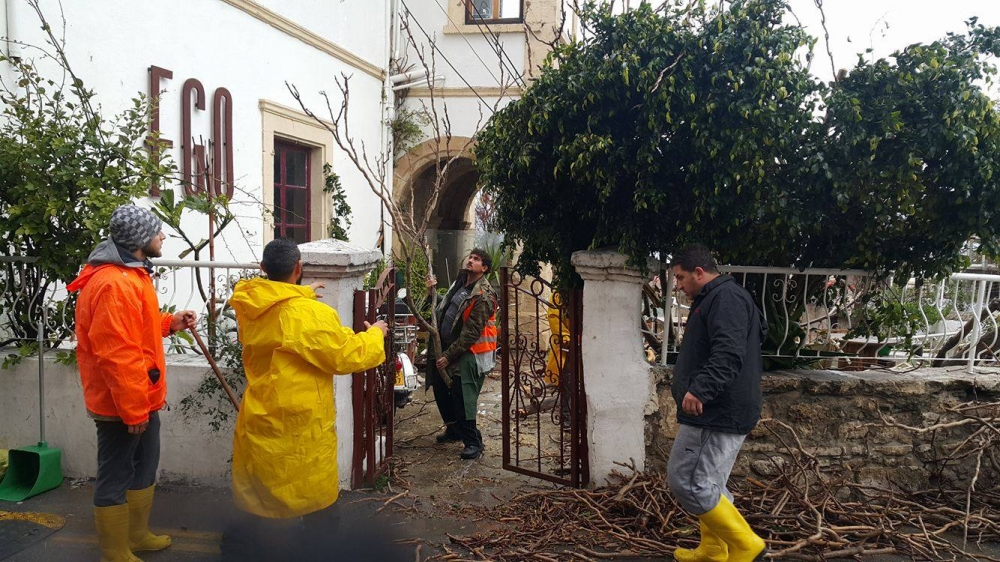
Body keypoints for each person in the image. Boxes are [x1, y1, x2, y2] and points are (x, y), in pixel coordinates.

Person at [223, 237, 392, 560]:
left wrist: (300, 294)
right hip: (301, 423)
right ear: (299, 268)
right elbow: (345, 356)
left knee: (261, 496)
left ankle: (247, 549)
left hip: (261, 414)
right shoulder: (308, 314)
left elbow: (281, 316)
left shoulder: (251, 306)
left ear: (263, 269)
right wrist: (375, 334)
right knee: (316, 502)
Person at [68, 204, 197, 562]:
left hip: (141, 396)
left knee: (144, 465)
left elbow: (136, 330)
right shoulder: (113, 283)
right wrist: (133, 411)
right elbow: (117, 355)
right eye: (158, 232)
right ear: (141, 240)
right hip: (121, 404)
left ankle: (137, 536)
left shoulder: (130, 274)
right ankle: (115, 551)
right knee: (116, 474)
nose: (163, 236)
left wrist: (169, 323)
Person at [666, 244, 768, 562]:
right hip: (718, 409)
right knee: (709, 483)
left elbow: (728, 352)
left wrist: (700, 391)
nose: (679, 285)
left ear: (700, 272)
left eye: (681, 277)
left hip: (715, 411)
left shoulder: (725, 298)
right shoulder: (716, 298)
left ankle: (747, 546)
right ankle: (714, 548)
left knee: (687, 480)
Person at [425, 249, 498, 460]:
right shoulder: (461, 282)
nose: (471, 260)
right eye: (471, 257)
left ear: (484, 268)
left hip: (471, 354)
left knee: (462, 396)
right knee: (439, 388)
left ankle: (473, 441)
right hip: (447, 347)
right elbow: (445, 308)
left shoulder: (484, 295)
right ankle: (453, 429)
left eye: (477, 259)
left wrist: (448, 356)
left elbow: (470, 334)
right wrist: (432, 294)